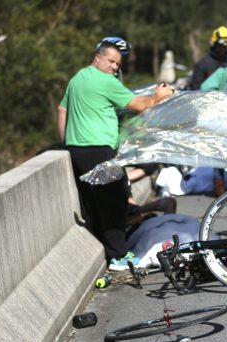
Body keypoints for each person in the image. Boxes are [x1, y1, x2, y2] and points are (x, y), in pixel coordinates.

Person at [57, 36, 174, 270]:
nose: (114, 67)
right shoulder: (106, 82)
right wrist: (160, 96)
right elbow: (139, 105)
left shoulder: (77, 78)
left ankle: (112, 250)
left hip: (78, 149)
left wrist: (66, 144)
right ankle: (118, 256)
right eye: (111, 61)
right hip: (98, 149)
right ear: (97, 58)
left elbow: (62, 110)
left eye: (118, 64)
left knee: (96, 203)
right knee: (114, 202)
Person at [186, 26, 227, 90]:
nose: (223, 49)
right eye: (220, 45)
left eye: (226, 45)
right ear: (214, 44)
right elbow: (195, 90)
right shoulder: (202, 65)